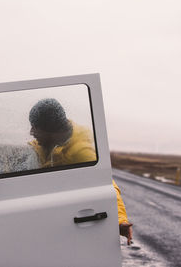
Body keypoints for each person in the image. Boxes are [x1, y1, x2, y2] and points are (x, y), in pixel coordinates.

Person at [28, 98, 133, 245]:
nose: (31, 132)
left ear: (49, 130)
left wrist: (119, 220)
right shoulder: (49, 143)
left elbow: (106, 185)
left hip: (70, 227)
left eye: (35, 126)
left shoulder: (80, 152)